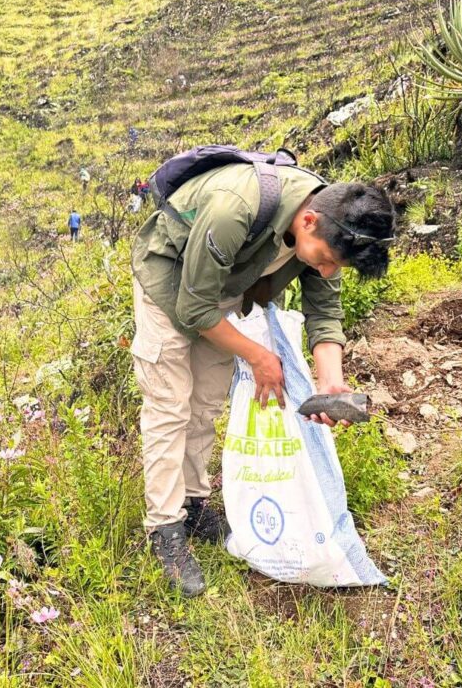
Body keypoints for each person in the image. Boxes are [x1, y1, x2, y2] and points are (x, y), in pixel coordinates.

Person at [131, 162, 395, 596]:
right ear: (308, 221)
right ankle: (164, 528)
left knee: (206, 404)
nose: (327, 272)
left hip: (224, 290)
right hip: (169, 282)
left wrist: (330, 382)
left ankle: (194, 504)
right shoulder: (235, 209)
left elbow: (324, 312)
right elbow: (193, 309)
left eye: (336, 266)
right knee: (170, 405)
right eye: (326, 261)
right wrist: (258, 356)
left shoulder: (331, 223)